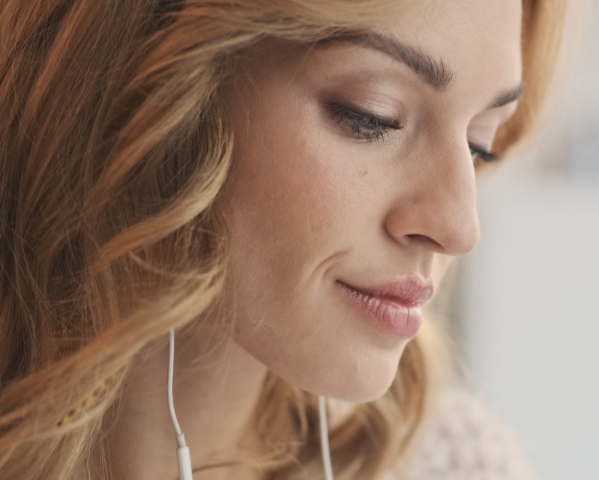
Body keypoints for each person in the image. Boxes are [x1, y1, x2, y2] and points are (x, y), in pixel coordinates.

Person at [0, 0, 567, 478]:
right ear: (158, 92)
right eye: (371, 114)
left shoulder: (454, 463)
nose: (459, 229)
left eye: (479, 143)